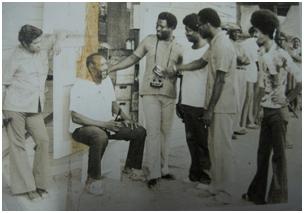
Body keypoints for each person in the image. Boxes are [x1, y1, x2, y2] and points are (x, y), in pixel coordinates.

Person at [164, 8, 238, 204]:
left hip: (223, 105)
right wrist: (178, 68)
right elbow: (199, 62)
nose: (198, 29)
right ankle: (216, 185)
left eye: (199, 25)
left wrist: (210, 109)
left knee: (222, 148)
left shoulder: (222, 45)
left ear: (206, 24)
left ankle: (226, 190)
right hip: (216, 104)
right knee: (214, 147)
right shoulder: (215, 43)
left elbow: (220, 80)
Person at [108, 12, 183, 188]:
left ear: (172, 28)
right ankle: (154, 172)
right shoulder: (149, 40)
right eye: (157, 25)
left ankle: (164, 169)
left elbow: (182, 71)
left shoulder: (179, 47)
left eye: (162, 26)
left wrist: (174, 72)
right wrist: (114, 67)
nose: (158, 28)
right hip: (149, 93)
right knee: (153, 132)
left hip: (169, 94)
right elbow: (133, 58)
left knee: (166, 132)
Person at [242, 9, 301, 204]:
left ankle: (277, 197)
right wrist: (259, 107)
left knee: (279, 156)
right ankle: (256, 194)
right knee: (262, 155)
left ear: (267, 32)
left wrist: (288, 97)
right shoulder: (262, 53)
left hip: (278, 112)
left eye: (257, 32)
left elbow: (300, 78)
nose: (255, 35)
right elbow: (262, 83)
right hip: (267, 110)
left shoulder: (281, 54)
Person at [69, 53, 146, 195]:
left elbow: (113, 106)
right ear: (91, 67)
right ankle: (92, 180)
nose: (107, 68)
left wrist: (127, 118)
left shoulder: (107, 81)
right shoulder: (80, 85)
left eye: (107, 64)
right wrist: (104, 124)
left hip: (106, 126)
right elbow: (76, 118)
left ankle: (131, 167)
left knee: (139, 131)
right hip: (83, 129)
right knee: (99, 136)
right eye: (103, 65)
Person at [3, 25, 62, 200]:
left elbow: (61, 31)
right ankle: (27, 187)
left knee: (43, 140)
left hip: (34, 106)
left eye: (40, 40)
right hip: (14, 106)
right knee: (18, 146)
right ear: (24, 43)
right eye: (35, 43)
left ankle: (40, 183)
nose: (39, 45)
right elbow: (3, 84)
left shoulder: (42, 46)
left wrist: (57, 43)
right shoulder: (13, 57)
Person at [179, 14, 211, 185]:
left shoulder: (208, 50)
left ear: (199, 29)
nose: (186, 33)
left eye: (189, 30)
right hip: (187, 102)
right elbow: (183, 77)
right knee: (191, 139)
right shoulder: (187, 50)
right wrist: (180, 100)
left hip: (201, 103)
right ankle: (194, 173)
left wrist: (208, 106)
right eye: (185, 30)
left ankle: (205, 176)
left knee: (203, 141)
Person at [228, 27, 250, 138]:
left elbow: (247, 60)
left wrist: (243, 59)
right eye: (234, 32)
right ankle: (230, 129)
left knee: (241, 99)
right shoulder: (229, 44)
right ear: (230, 33)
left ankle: (236, 126)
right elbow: (239, 60)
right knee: (234, 100)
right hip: (235, 71)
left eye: (238, 32)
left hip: (242, 72)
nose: (237, 34)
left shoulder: (240, 45)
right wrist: (242, 60)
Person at [240, 27, 259, 129]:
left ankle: (247, 121)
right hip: (250, 71)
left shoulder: (244, 43)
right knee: (248, 97)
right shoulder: (253, 43)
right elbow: (257, 59)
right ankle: (245, 123)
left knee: (247, 97)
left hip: (247, 71)